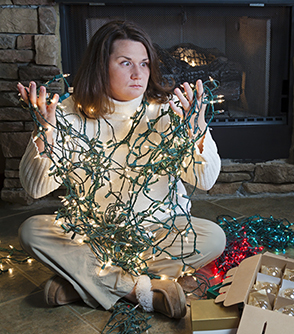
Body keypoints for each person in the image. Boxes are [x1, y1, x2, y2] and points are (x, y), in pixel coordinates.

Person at [16, 20, 226, 319]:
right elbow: (34, 189)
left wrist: (198, 131)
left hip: (156, 233)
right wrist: (45, 133)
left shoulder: (168, 111)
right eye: (125, 63)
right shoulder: (66, 114)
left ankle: (83, 283)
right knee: (32, 231)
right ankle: (141, 291)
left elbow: (204, 181)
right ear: (101, 66)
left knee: (213, 238)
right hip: (91, 234)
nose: (138, 74)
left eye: (144, 63)